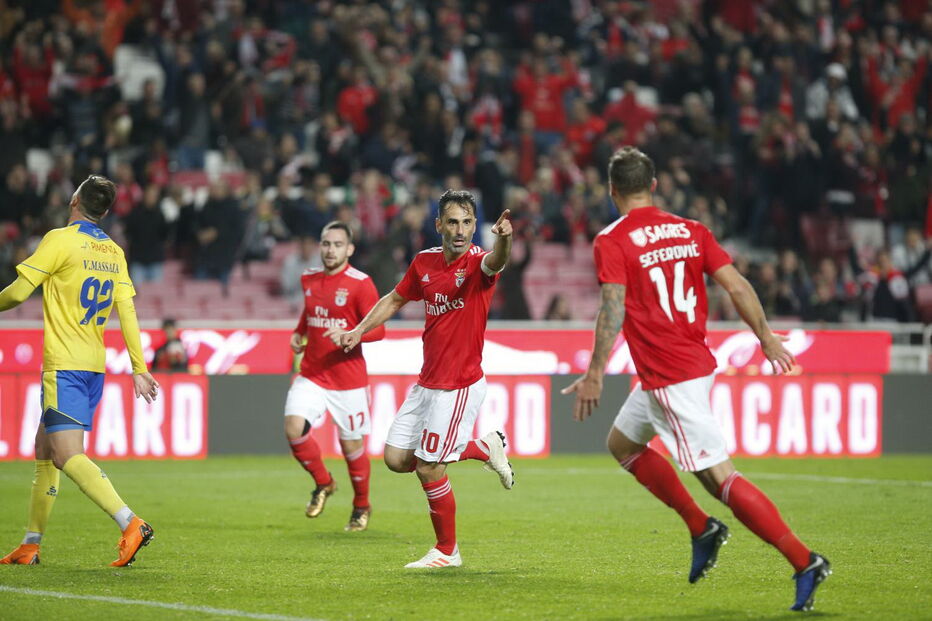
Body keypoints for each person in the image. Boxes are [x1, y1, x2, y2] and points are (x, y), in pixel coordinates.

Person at [562, 148, 831, 611]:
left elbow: (612, 307)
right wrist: (765, 337)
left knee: (719, 478)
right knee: (623, 445)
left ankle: (804, 560)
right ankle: (699, 526)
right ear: (655, 185)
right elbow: (738, 286)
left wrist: (593, 374)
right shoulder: (692, 230)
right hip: (688, 367)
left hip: (670, 376)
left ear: (611, 191)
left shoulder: (613, 239)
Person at [340, 189, 515, 569]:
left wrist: (505, 239)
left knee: (428, 466)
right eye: (452, 222)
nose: (460, 230)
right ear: (438, 224)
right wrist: (359, 328)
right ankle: (485, 448)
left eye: (467, 222)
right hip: (428, 383)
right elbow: (395, 299)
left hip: (460, 385)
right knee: (396, 458)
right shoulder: (424, 263)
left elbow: (498, 261)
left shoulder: (479, 264)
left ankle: (447, 551)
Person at [0, 175, 160, 567]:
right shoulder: (114, 253)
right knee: (44, 448)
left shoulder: (60, 239)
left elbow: (19, 292)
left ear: (74, 200)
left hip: (65, 365)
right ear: (104, 211)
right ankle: (30, 544)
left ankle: (130, 522)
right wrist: (139, 367)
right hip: (94, 367)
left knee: (66, 455)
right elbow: (128, 311)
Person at [284, 222, 384, 532]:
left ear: (349, 249)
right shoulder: (309, 278)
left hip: (348, 379)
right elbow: (310, 310)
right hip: (313, 372)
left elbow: (379, 329)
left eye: (338, 244)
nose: (331, 250)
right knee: (293, 428)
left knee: (351, 447)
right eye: (326, 244)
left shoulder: (361, 283)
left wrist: (352, 334)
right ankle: (324, 482)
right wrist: (300, 332)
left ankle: (361, 505)